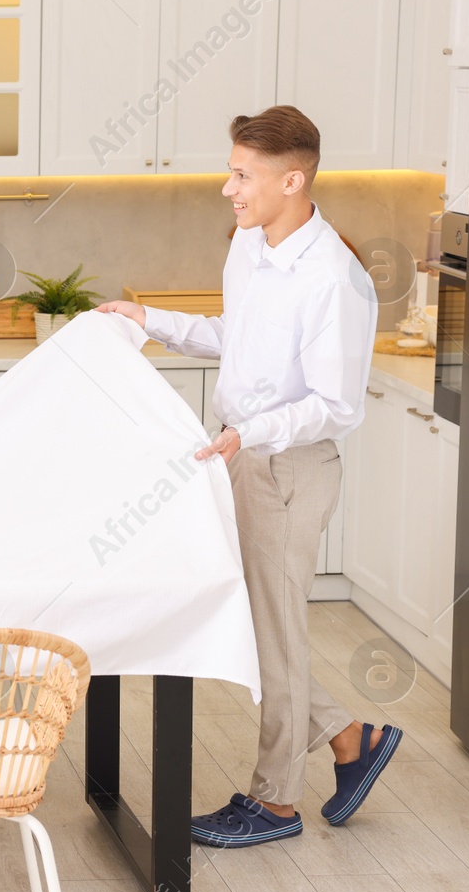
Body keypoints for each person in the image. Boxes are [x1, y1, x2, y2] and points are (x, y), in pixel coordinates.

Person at [96, 105, 401, 847]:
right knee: (254, 622)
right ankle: (349, 737)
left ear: (292, 179)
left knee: (275, 630)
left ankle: (275, 803)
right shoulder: (248, 244)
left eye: (243, 175)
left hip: (288, 469)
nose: (228, 189)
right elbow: (239, 343)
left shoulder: (336, 278)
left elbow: (333, 404)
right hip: (239, 453)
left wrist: (249, 433)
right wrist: (151, 320)